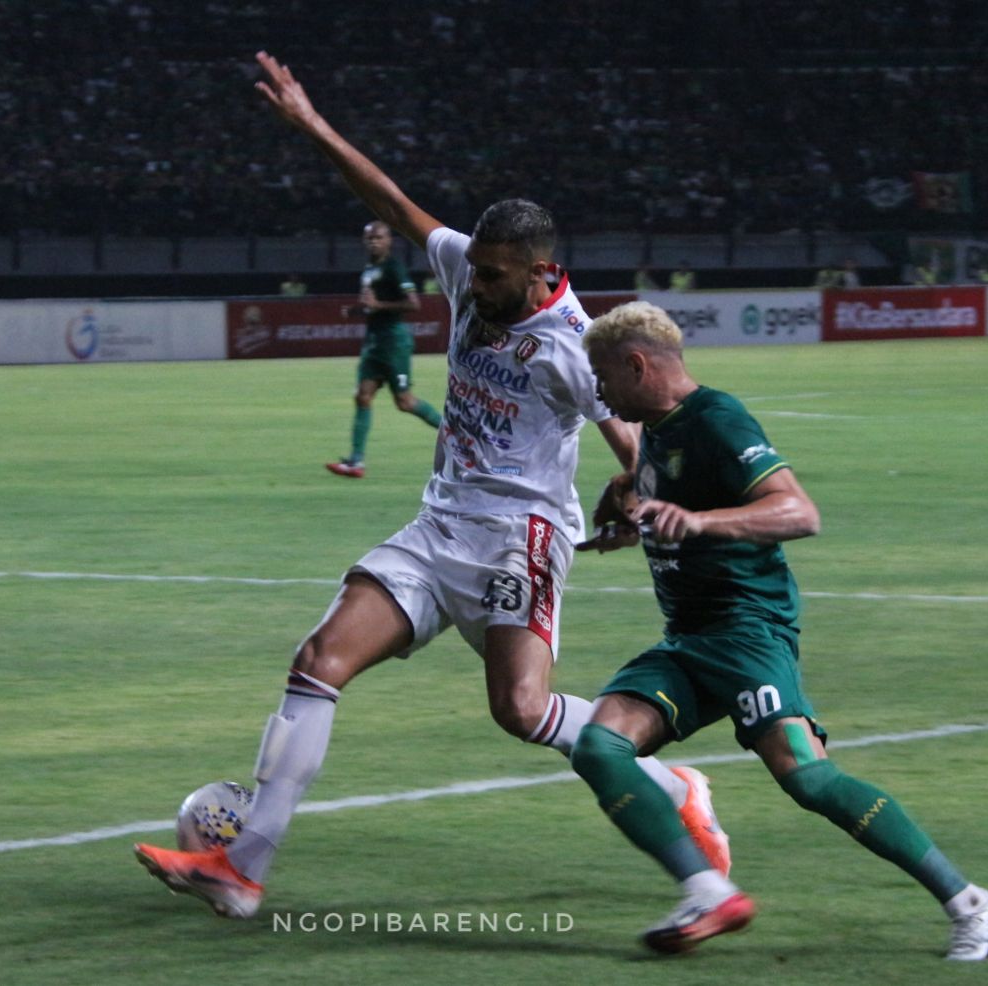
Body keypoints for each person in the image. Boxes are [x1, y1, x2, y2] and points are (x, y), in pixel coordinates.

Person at [133, 51, 730, 918]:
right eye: (473, 268)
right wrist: (311, 126)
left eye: (493, 276)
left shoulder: (571, 344)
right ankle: (243, 868)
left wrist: (636, 489)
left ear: (537, 272)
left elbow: (632, 426)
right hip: (437, 527)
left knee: (521, 712)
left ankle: (674, 788)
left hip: (520, 539)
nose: (471, 285)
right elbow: (391, 201)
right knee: (318, 661)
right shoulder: (466, 267)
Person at [569, 301, 988, 960]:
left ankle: (971, 903)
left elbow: (800, 513)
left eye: (603, 376)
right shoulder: (658, 430)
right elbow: (668, 482)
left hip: (747, 632)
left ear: (637, 365)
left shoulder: (717, 419)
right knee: (599, 747)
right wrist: (626, 500)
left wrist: (701, 523)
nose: (597, 392)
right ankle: (708, 892)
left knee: (807, 777)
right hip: (689, 639)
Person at [325, 220, 441, 478]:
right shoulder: (369, 269)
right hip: (374, 342)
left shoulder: (394, 268)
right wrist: (357, 310)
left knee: (405, 402)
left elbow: (413, 304)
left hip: (393, 342)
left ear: (389, 241)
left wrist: (378, 305)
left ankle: (459, 435)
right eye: (369, 238)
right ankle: (356, 462)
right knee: (362, 396)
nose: (373, 242)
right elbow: (370, 304)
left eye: (378, 237)